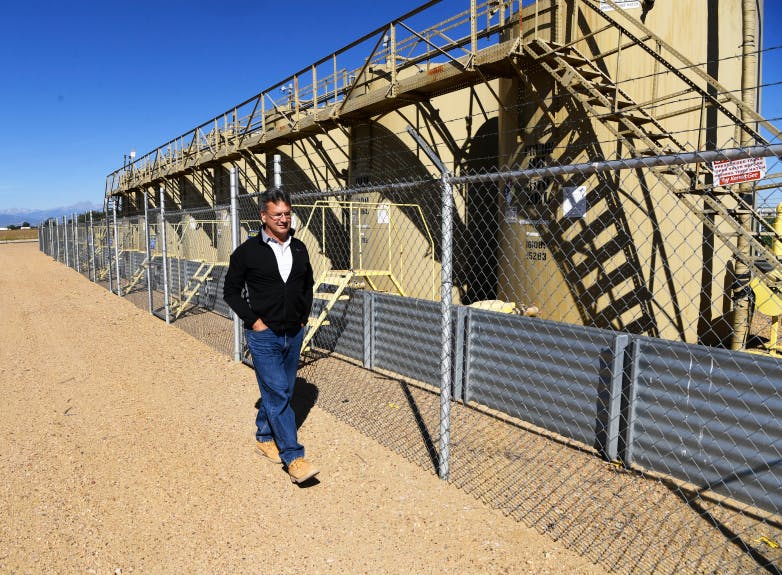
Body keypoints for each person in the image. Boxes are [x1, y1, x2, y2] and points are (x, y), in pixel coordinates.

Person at [223, 189, 319, 484]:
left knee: (283, 391)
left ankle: (264, 435)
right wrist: (254, 322)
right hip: (264, 336)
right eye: (276, 214)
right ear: (263, 217)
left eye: (287, 214)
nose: (283, 219)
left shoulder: (300, 248)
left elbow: (307, 285)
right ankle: (294, 458)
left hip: (294, 331)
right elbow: (230, 292)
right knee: (277, 391)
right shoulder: (247, 252)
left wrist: (303, 316)